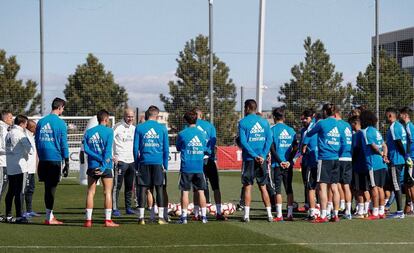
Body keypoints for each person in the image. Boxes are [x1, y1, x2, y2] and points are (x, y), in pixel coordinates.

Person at [35, 97, 69, 225]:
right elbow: (63, 143)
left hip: (43, 159)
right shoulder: (60, 123)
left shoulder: (41, 122)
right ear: (60, 107)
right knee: (51, 189)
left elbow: (37, 141)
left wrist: (40, 156)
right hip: (54, 159)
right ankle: (49, 218)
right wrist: (67, 161)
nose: (63, 110)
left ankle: (50, 215)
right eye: (63, 108)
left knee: (47, 188)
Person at [306, 103, 342, 223]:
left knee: (322, 187)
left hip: (324, 158)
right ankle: (335, 214)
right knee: (335, 187)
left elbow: (309, 133)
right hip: (336, 158)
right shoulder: (340, 124)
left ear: (325, 112)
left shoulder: (322, 123)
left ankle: (323, 215)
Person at [133, 105, 169, 225]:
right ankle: (160, 218)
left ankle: (141, 218)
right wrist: (165, 165)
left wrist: (137, 163)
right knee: (159, 189)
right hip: (158, 163)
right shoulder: (162, 128)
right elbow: (166, 149)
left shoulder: (139, 127)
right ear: (157, 116)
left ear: (148, 115)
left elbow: (135, 148)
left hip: (144, 162)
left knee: (143, 189)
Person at [238, 99, 273, 222]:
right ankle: (269, 214)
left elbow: (243, 142)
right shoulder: (264, 122)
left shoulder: (243, 122)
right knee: (263, 186)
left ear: (247, 108)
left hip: (249, 159)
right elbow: (269, 140)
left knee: (248, 186)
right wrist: (262, 155)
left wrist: (253, 155)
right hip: (261, 159)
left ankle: (246, 215)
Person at [83, 109, 119, 227]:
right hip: (106, 166)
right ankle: (108, 221)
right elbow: (108, 151)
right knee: (107, 192)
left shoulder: (89, 132)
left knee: (90, 192)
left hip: (93, 166)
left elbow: (86, 150)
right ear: (106, 119)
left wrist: (96, 157)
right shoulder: (109, 131)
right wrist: (103, 165)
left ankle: (88, 221)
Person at [192, 108, 226, 221]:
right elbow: (213, 142)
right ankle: (219, 212)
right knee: (215, 187)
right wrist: (207, 150)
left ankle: (197, 214)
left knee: (197, 188)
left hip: (196, 160)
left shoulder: (190, 126)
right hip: (209, 160)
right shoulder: (209, 126)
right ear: (202, 115)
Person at [176, 110, 208, 224]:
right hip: (199, 166)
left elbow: (178, 148)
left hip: (186, 167)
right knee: (201, 192)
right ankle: (204, 217)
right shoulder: (202, 134)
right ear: (196, 120)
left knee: (185, 192)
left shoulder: (182, 134)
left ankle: (184, 217)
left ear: (185, 120)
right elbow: (204, 148)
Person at [270, 107, 297, 221]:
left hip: (277, 165)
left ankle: (280, 215)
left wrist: (281, 162)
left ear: (274, 117)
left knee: (278, 190)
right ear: (284, 117)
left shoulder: (272, 130)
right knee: (289, 188)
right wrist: (288, 161)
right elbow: (295, 148)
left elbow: (272, 149)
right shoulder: (291, 130)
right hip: (288, 165)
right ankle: (290, 214)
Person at [360, 110, 388, 220]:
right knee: (380, 188)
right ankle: (381, 211)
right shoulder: (376, 131)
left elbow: (373, 146)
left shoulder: (366, 132)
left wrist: (381, 153)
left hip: (373, 164)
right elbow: (384, 145)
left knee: (374, 188)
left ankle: (375, 212)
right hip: (381, 163)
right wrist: (384, 155)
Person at [5, 115, 31, 223]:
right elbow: (30, 149)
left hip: (10, 166)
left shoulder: (8, 133)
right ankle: (20, 216)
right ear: (22, 124)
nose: (26, 126)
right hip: (20, 167)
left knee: (11, 191)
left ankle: (8, 215)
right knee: (20, 192)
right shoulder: (20, 133)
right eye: (26, 124)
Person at [112, 108, 136, 216]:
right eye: (128, 116)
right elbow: (109, 140)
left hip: (132, 161)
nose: (130, 119)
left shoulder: (134, 128)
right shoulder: (117, 127)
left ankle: (128, 208)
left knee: (129, 186)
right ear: (124, 116)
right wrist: (113, 156)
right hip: (120, 160)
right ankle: (114, 208)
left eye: (132, 117)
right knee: (117, 186)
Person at [385, 107, 407, 219]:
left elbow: (399, 142)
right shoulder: (400, 126)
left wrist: (404, 155)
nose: (385, 117)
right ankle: (399, 211)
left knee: (396, 185)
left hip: (396, 160)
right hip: (399, 160)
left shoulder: (394, 127)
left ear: (390, 115)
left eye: (386, 115)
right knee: (396, 184)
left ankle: (399, 212)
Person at [349, 115, 370, 219]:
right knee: (365, 188)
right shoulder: (364, 133)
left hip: (358, 165)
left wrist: (352, 159)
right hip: (365, 164)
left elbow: (356, 149)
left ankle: (360, 211)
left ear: (355, 123)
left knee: (359, 189)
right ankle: (366, 210)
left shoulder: (358, 134)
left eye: (351, 124)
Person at [300, 109, 319, 219]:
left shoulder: (312, 128)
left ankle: (313, 211)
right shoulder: (304, 130)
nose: (304, 121)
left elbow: (303, 147)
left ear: (312, 117)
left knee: (311, 185)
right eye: (303, 119)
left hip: (313, 160)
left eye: (306, 118)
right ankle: (313, 207)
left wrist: (303, 148)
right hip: (310, 160)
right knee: (312, 184)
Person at [336, 109, 353, 219]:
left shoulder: (337, 125)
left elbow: (339, 141)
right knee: (346, 185)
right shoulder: (348, 125)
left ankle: (338, 207)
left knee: (336, 183)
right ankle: (348, 211)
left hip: (340, 157)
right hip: (349, 158)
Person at [23, 120, 40, 218]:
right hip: (27, 169)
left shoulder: (32, 137)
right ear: (31, 128)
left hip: (32, 169)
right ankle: (23, 211)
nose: (36, 129)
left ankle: (29, 210)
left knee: (31, 189)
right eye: (35, 127)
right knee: (25, 190)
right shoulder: (26, 137)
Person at [399, 107, 414, 214]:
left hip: (411, 159)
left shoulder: (409, 126)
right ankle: (409, 206)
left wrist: (408, 155)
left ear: (405, 115)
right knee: (407, 184)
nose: (399, 116)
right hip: (409, 159)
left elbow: (412, 142)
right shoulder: (407, 126)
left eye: (400, 114)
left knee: (410, 183)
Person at [0, 111, 13, 221]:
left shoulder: (5, 129)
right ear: (4, 119)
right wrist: (11, 151)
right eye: (10, 118)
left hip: (5, 162)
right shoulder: (1, 129)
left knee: (3, 188)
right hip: (1, 163)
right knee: (0, 188)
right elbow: (1, 147)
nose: (12, 120)